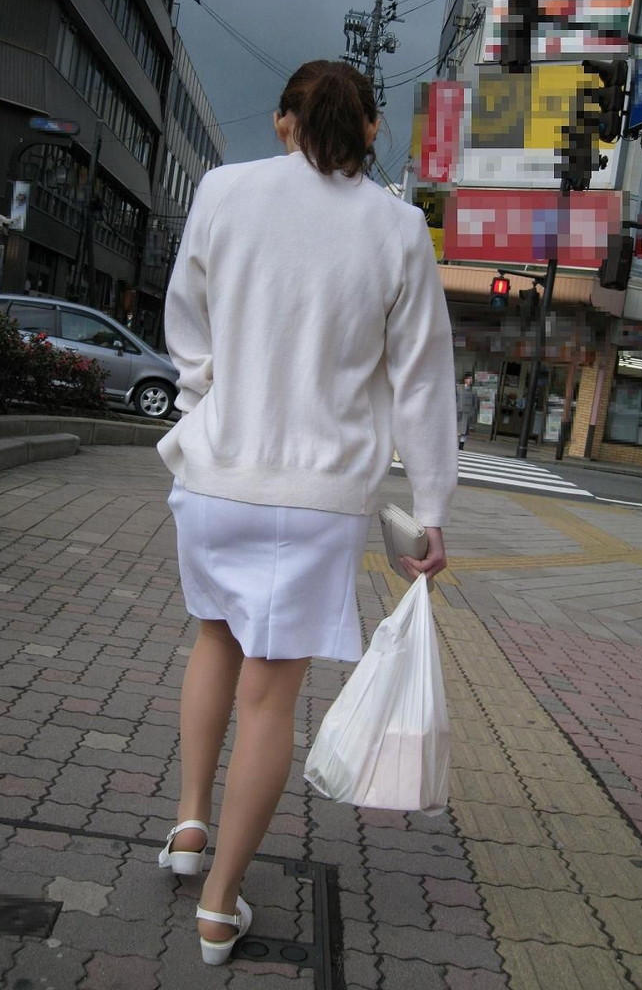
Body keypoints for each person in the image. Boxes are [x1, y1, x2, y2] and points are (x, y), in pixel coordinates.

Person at [156, 59, 458, 966]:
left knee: (213, 637)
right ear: (371, 129)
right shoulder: (398, 229)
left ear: (286, 121)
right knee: (269, 697)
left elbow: (187, 320)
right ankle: (219, 908)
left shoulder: (223, 190)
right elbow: (422, 380)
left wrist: (206, 401)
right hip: (318, 498)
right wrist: (431, 506)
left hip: (216, 475)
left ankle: (189, 826)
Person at [456, 372, 478, 450]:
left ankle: (461, 446)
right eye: (469, 379)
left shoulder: (473, 391)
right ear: (465, 379)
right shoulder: (458, 388)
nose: (470, 380)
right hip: (458, 412)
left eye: (471, 379)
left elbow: (475, 403)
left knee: (464, 432)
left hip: (467, 413)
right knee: (456, 430)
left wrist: (472, 412)